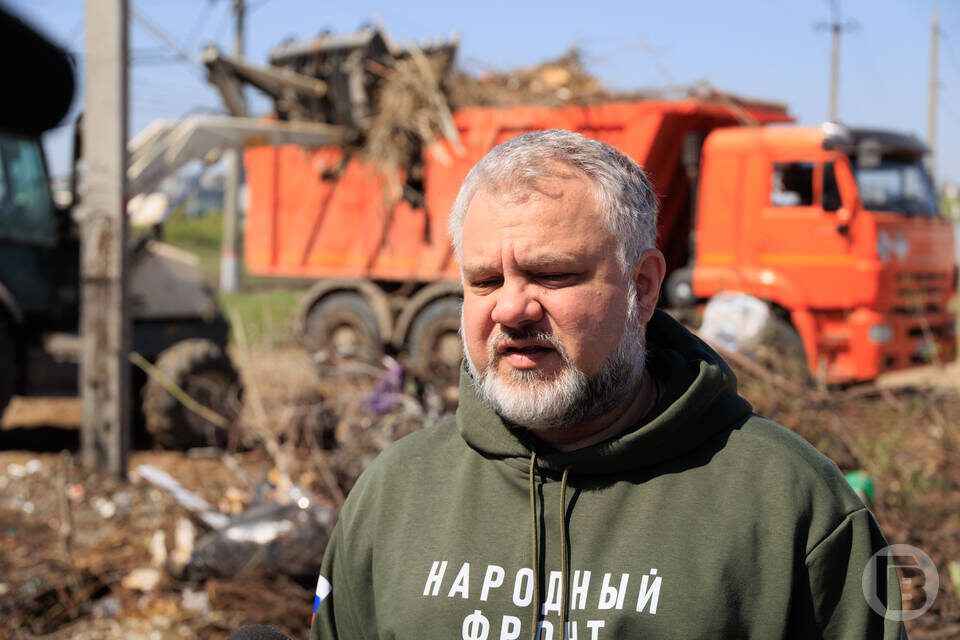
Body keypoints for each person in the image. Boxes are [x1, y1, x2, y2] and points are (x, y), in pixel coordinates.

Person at [310, 130, 905, 639]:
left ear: (643, 287)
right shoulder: (394, 495)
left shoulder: (789, 506)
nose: (512, 309)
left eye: (552, 274)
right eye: (486, 280)